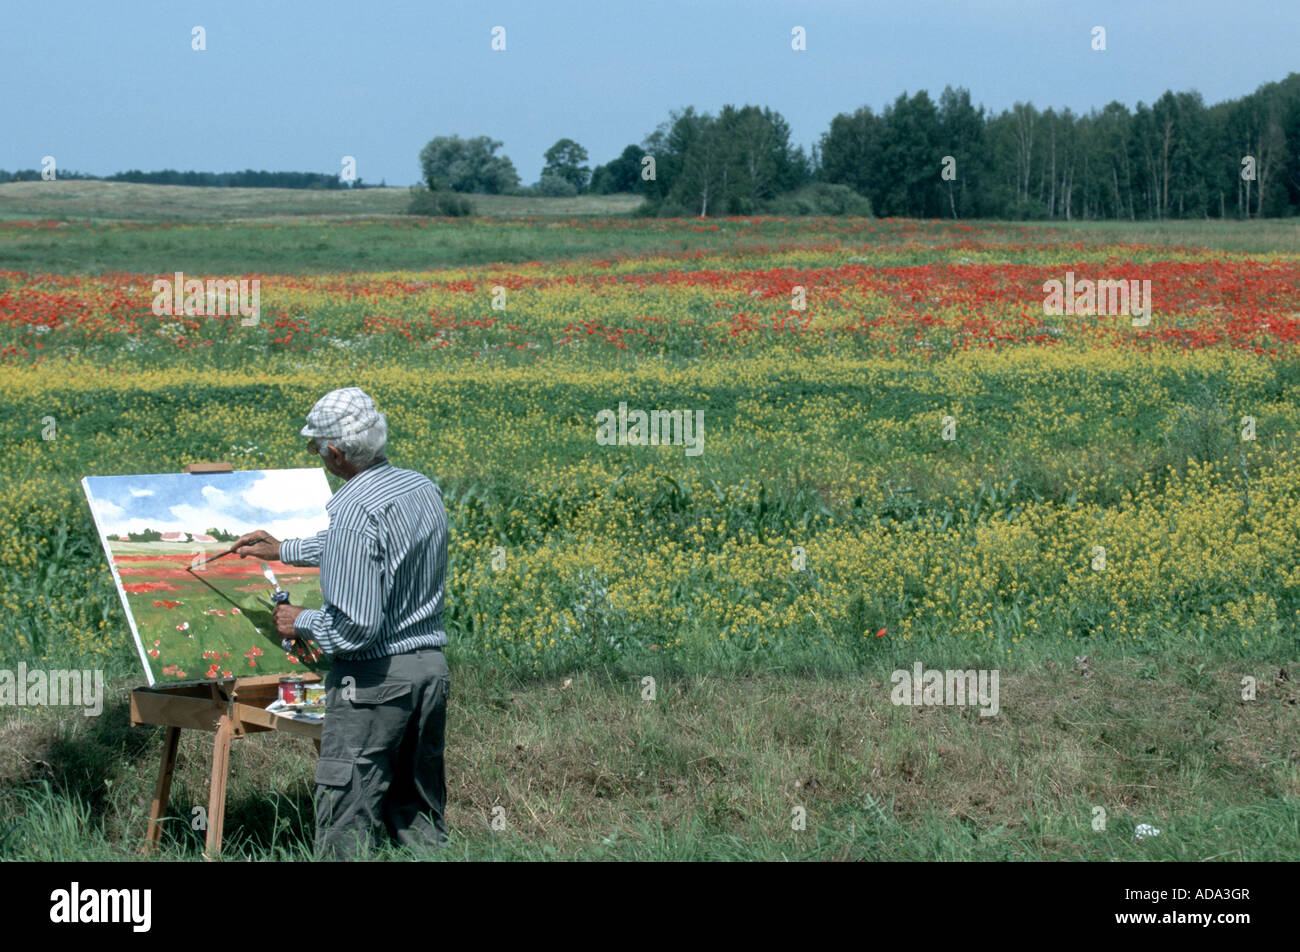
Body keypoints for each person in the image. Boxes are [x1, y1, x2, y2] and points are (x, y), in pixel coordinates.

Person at [232, 387, 450, 859]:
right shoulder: (419, 488)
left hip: (375, 681)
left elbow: (354, 629)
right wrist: (283, 549)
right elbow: (367, 549)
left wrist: (299, 619)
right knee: (417, 811)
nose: (318, 456)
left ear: (335, 452)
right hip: (429, 671)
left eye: (316, 448)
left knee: (347, 817)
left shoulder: (353, 510)